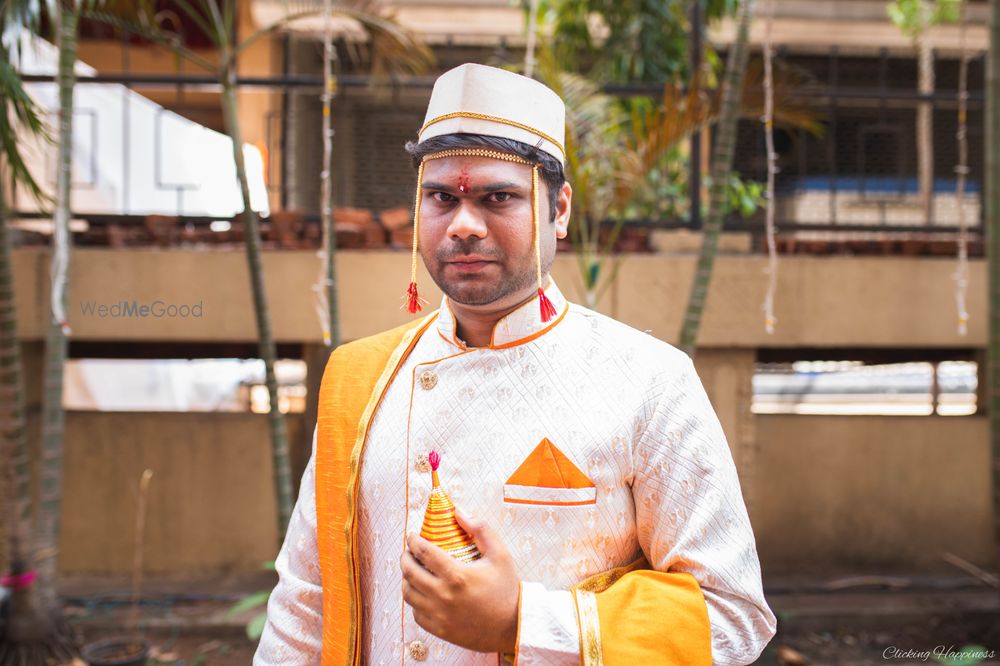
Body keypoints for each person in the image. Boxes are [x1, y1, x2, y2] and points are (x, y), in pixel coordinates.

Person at [254, 62, 776, 666]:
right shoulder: (359, 378)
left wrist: (522, 623)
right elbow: (304, 602)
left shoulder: (649, 381)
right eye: (441, 198)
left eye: (497, 197)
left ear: (560, 209)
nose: (464, 225)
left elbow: (733, 617)